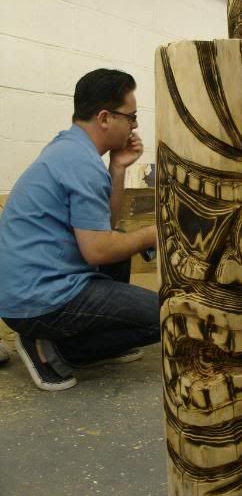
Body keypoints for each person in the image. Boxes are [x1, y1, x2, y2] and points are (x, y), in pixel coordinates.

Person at [0, 69, 160, 391]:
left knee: (122, 244)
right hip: (37, 299)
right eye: (131, 117)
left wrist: (118, 168)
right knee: (168, 316)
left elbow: (105, 227)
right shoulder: (80, 162)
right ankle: (50, 349)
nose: (135, 126)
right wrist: (155, 233)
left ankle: (91, 340)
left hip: (33, 285)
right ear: (104, 118)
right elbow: (98, 250)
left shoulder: (71, 148)